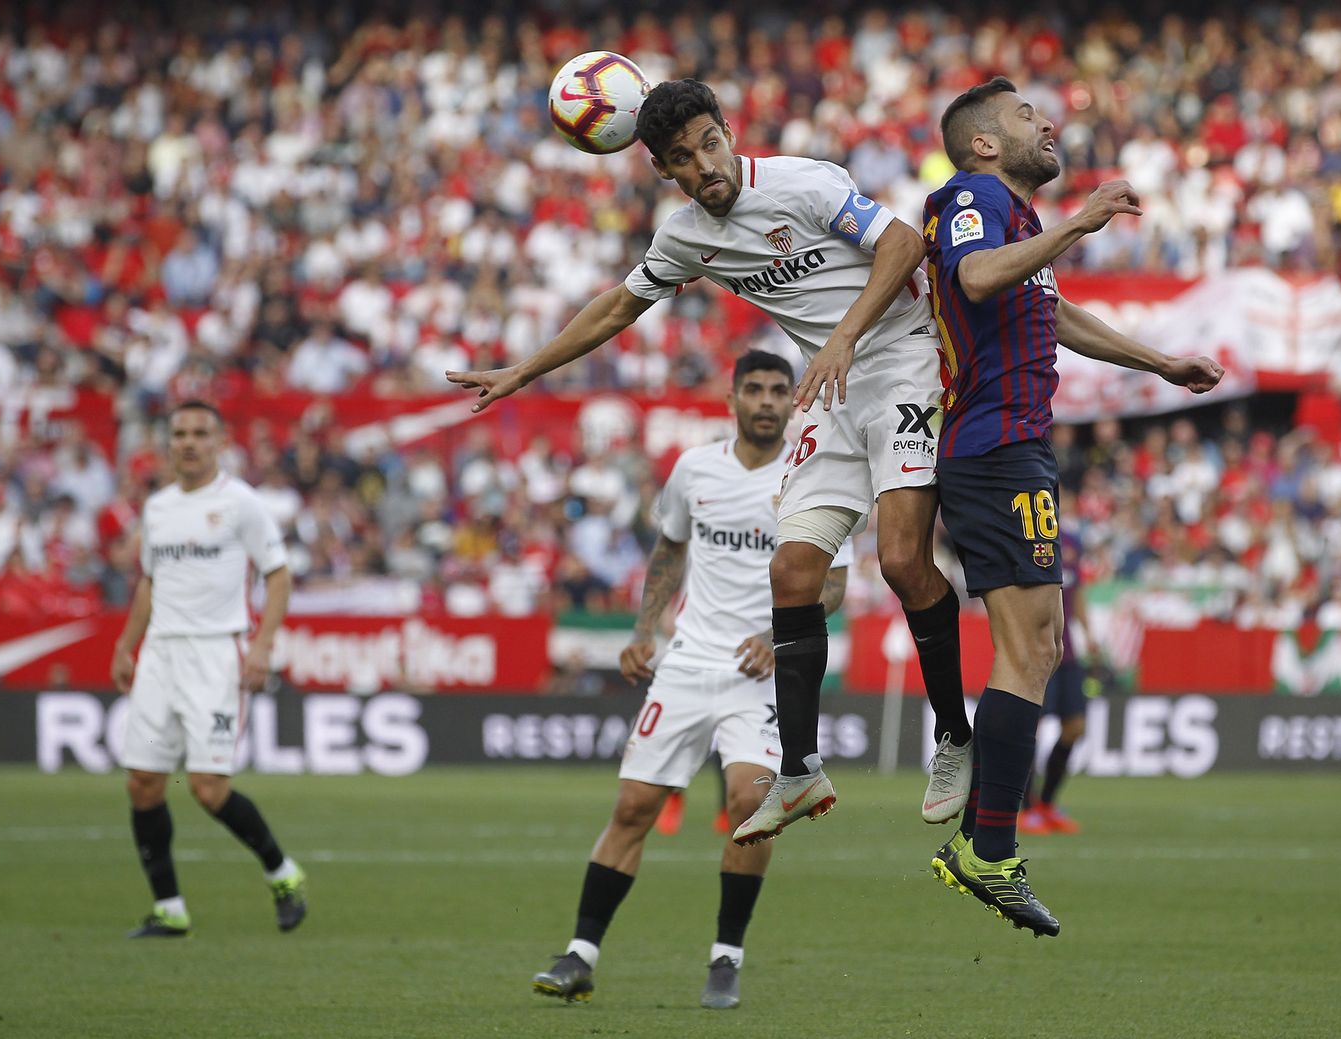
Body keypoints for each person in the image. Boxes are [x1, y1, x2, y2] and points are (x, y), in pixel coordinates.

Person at [448, 79, 974, 845]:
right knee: (792, 572)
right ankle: (799, 769)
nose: (702, 167)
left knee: (900, 559)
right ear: (664, 171)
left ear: (728, 132)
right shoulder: (687, 236)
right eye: (680, 160)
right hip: (832, 389)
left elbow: (903, 243)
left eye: (707, 144)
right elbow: (616, 307)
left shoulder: (801, 181)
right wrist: (521, 370)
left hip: (902, 360)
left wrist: (845, 336)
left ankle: (956, 738)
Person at [921, 78, 1224, 935]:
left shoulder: (1018, 223)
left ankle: (985, 838)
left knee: (1039, 645)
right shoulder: (975, 198)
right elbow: (976, 278)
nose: (1046, 121)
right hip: (993, 449)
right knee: (1028, 649)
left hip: (1013, 450)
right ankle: (989, 849)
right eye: (1024, 116)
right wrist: (1082, 220)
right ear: (982, 142)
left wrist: (1160, 363)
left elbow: (1052, 310)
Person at [531, 352, 851, 1009]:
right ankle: (580, 954)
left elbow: (837, 580)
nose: (766, 401)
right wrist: (644, 629)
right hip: (686, 663)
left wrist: (776, 636)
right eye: (754, 389)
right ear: (732, 397)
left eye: (777, 391)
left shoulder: (813, 476)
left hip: (762, 674)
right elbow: (670, 547)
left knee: (749, 803)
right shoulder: (694, 468)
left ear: (794, 400)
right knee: (631, 809)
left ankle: (725, 958)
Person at [109, 400, 307, 938]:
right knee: (143, 784)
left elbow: (279, 575)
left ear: (219, 441)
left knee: (208, 789)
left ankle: (282, 872)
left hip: (217, 653)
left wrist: (262, 647)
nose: (189, 442)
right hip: (161, 653)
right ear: (168, 442)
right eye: (180, 433)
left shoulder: (240, 503)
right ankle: (169, 908)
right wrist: (127, 645)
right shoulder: (158, 508)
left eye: (200, 432)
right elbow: (150, 581)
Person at [1020, 525, 1095, 836]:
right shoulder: (1025, 531)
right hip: (1036, 650)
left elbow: (1075, 592)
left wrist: (1088, 633)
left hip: (1068, 652)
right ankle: (1022, 808)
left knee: (1075, 726)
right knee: (1027, 729)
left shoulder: (1072, 539)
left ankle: (1046, 803)